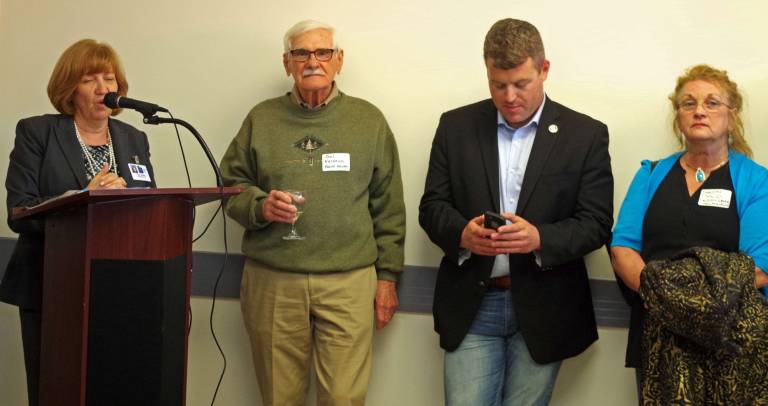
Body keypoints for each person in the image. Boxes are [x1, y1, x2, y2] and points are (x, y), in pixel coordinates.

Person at [419, 18, 613, 405]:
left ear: (544, 70)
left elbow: (596, 223)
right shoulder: (455, 126)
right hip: (473, 305)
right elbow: (432, 207)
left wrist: (539, 238)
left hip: (544, 308)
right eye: (498, 84)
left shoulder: (585, 135)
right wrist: (462, 234)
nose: (509, 96)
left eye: (521, 84)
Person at [219, 20, 405, 406]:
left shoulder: (368, 121)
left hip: (349, 282)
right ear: (287, 63)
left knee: (343, 399)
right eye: (301, 53)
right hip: (274, 282)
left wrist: (387, 278)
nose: (312, 61)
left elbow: (388, 205)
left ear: (339, 60)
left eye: (322, 52)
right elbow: (230, 186)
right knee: (279, 397)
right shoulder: (261, 119)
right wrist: (260, 205)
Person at [0, 39, 156, 406]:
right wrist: (83, 196)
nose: (104, 89)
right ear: (70, 88)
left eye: (110, 78)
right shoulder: (37, 133)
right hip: (53, 284)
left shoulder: (134, 138)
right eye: (90, 79)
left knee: (114, 387)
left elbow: (148, 204)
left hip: (121, 286)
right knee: (55, 389)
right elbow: (20, 211)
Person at [610, 64, 768, 402]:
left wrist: (694, 305)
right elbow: (623, 247)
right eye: (688, 103)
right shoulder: (650, 175)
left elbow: (759, 267)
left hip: (729, 341)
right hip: (656, 332)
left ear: (732, 114)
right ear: (678, 115)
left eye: (712, 103)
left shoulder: (757, 181)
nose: (699, 110)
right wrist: (665, 301)